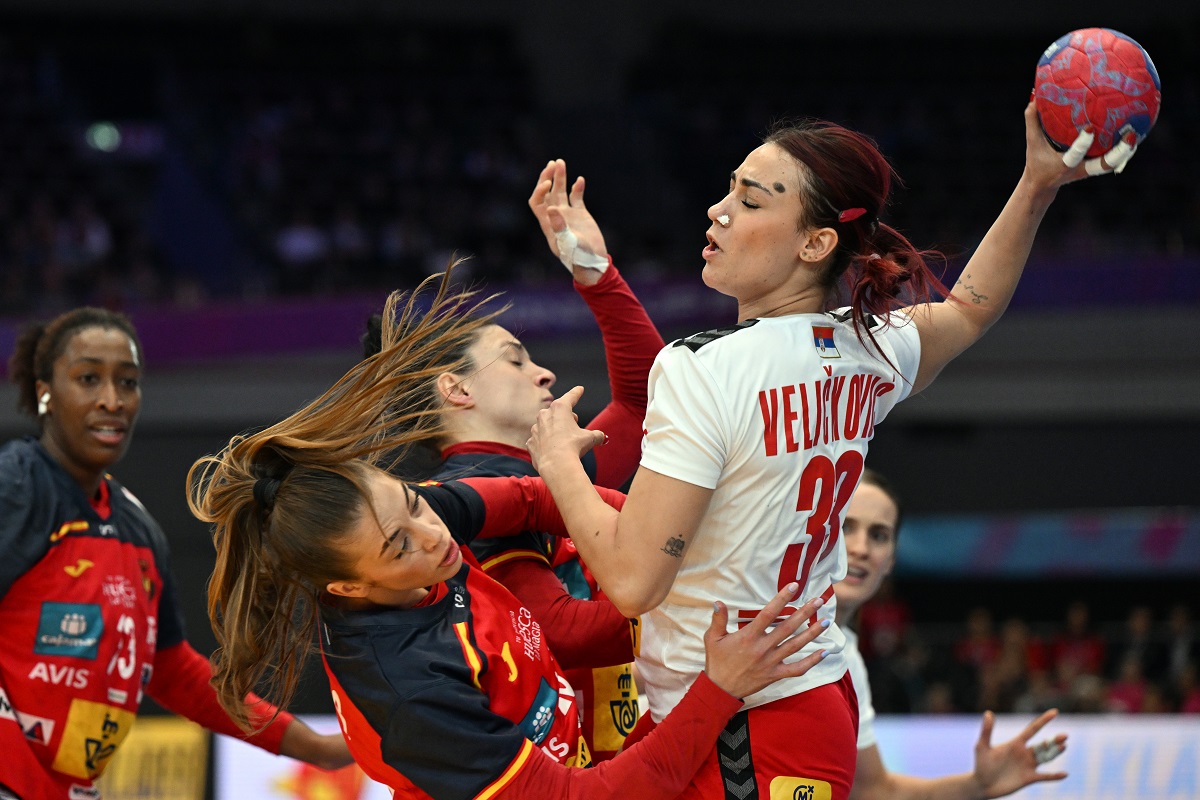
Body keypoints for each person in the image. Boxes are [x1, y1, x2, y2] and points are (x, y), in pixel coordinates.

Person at [527, 103, 1136, 798]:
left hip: (743, 720)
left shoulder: (702, 368)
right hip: (795, 700)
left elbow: (635, 581)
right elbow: (971, 307)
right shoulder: (867, 347)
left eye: (749, 200)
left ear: (815, 245)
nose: (718, 210)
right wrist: (1035, 187)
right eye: (729, 188)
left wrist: (556, 465)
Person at [188, 267, 832, 800]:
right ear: (348, 584)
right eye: (399, 545)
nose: (433, 535)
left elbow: (536, 491)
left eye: (415, 505)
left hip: (601, 751)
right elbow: (572, 676)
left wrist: (647, 535)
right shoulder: (414, 682)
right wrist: (700, 643)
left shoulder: (439, 514)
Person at [362, 159, 663, 760]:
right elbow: (558, 633)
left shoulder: (544, 473)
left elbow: (643, 399)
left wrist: (595, 271)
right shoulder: (479, 490)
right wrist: (700, 595)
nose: (544, 372)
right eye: (516, 360)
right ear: (457, 389)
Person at [0, 307, 350, 800]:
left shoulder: (136, 527)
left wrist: (315, 746)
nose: (111, 400)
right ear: (44, 393)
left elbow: (172, 670)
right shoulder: (16, 486)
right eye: (87, 379)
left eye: (127, 382)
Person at [836, 468, 1069, 800]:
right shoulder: (772, 623)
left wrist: (978, 786)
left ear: (890, 560)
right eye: (846, 526)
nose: (860, 547)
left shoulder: (847, 659)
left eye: (878, 535)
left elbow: (874, 790)